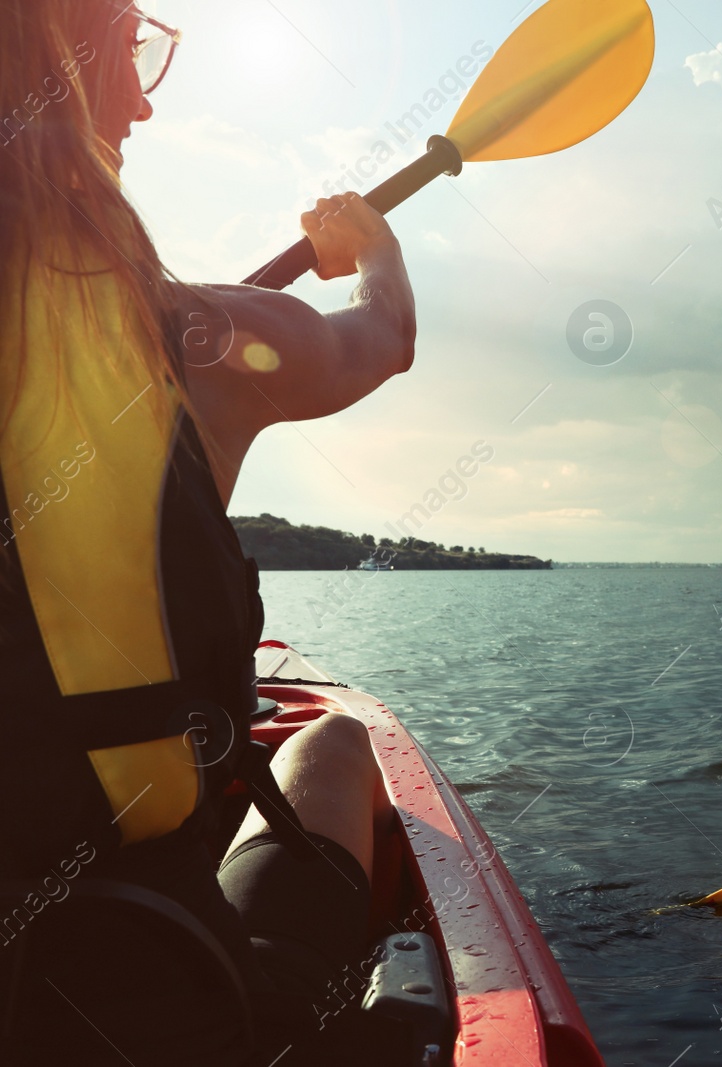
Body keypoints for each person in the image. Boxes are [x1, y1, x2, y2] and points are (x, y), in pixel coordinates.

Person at [1, 3, 415, 1061]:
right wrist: (371, 244)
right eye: (126, 49)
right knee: (334, 743)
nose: (142, 95)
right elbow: (385, 338)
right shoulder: (202, 332)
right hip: (147, 988)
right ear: (54, 62)